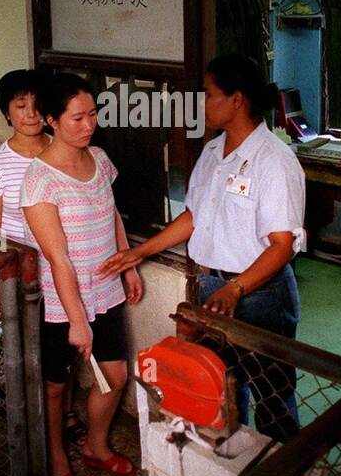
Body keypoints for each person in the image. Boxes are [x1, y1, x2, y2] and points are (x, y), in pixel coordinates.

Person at [98, 54, 306, 440]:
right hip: (213, 290)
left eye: (209, 95)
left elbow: (283, 245)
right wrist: (139, 252)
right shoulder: (212, 153)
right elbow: (195, 216)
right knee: (224, 391)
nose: (202, 104)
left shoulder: (274, 161)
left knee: (273, 397)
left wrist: (236, 288)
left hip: (260, 295)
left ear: (237, 99)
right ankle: (236, 474)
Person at [20, 73, 143, 476]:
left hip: (106, 290)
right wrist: (76, 321)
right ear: (51, 119)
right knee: (56, 386)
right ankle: (57, 460)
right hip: (63, 302)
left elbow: (112, 216)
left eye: (92, 114)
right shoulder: (38, 181)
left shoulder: (100, 159)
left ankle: (96, 445)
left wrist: (128, 264)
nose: (87, 124)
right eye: (76, 118)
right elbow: (58, 258)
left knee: (115, 375)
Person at [0, 69, 88, 446]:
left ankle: (66, 411)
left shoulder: (66, 150)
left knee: (65, 350)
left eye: (37, 105)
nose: (30, 114)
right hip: (23, 277)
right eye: (20, 106)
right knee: (30, 351)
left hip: (68, 270)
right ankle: (33, 420)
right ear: (6, 113)